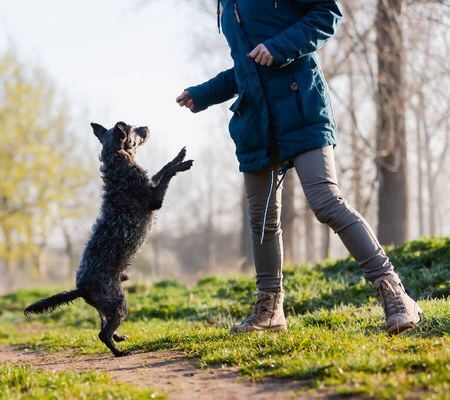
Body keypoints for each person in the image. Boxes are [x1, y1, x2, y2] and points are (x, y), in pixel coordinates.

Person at [176, 0, 421, 335]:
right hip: (256, 122)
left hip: (301, 106)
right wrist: (203, 94)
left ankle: (394, 293)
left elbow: (328, 14)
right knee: (261, 218)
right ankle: (270, 309)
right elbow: (245, 68)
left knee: (326, 201)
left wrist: (279, 47)